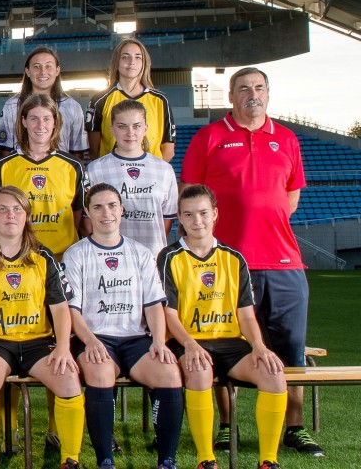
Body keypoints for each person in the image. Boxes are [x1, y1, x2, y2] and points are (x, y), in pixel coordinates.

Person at [179, 67, 320, 456]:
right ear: (232, 95)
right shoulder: (210, 137)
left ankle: (294, 426)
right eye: (244, 89)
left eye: (259, 88)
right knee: (222, 341)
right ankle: (225, 425)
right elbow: (190, 194)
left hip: (283, 261)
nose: (252, 94)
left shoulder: (287, 138)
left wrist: (263, 218)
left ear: (268, 95)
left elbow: (290, 197)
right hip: (223, 264)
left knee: (290, 347)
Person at [159, 184, 288, 469]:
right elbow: (168, 313)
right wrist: (190, 345)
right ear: (179, 218)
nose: (197, 221)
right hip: (188, 340)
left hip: (230, 341)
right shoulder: (169, 257)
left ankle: (268, 460)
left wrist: (259, 347)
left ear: (215, 214)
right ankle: (206, 459)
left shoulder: (234, 258)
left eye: (203, 213)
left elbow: (246, 314)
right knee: (200, 370)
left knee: (274, 373)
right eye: (189, 215)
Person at [0, 185, 84, 469]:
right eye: (2, 209)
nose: (10, 215)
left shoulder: (44, 257)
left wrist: (63, 348)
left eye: (17, 209)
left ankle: (71, 460)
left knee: (68, 378)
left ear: (27, 216)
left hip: (38, 342)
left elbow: (61, 308)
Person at [64, 183, 183, 469]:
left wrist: (158, 341)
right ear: (88, 214)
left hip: (135, 339)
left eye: (112, 205)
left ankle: (167, 460)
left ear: (122, 209)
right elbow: (72, 310)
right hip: (94, 337)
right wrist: (91, 342)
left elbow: (154, 304)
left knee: (169, 374)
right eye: (98, 207)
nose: (106, 213)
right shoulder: (76, 254)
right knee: (101, 373)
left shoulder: (141, 253)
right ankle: (105, 459)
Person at [0, 94, 89, 259]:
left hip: (63, 256)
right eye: (34, 119)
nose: (40, 125)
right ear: (24, 121)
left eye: (46, 119)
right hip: (20, 257)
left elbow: (77, 212)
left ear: (55, 123)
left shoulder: (74, 166)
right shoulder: (3, 166)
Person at [84, 100, 178, 256]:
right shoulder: (95, 169)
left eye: (136, 126)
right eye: (122, 126)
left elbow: (167, 220)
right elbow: (88, 220)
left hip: (153, 258)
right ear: (112, 129)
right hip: (109, 257)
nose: (130, 133)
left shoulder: (164, 170)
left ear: (146, 128)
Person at [86, 39, 176, 161]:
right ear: (117, 62)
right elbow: (94, 151)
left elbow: (168, 150)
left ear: (144, 63)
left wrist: (152, 171)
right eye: (125, 57)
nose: (132, 62)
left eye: (138, 57)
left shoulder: (160, 100)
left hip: (150, 176)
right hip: (112, 176)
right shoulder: (100, 100)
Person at [0, 47, 87, 159]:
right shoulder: (12, 106)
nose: (43, 72)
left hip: (60, 173)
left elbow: (77, 152)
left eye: (48, 66)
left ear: (57, 70)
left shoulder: (72, 107)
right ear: (27, 71)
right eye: (36, 67)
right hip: (21, 173)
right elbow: (4, 150)